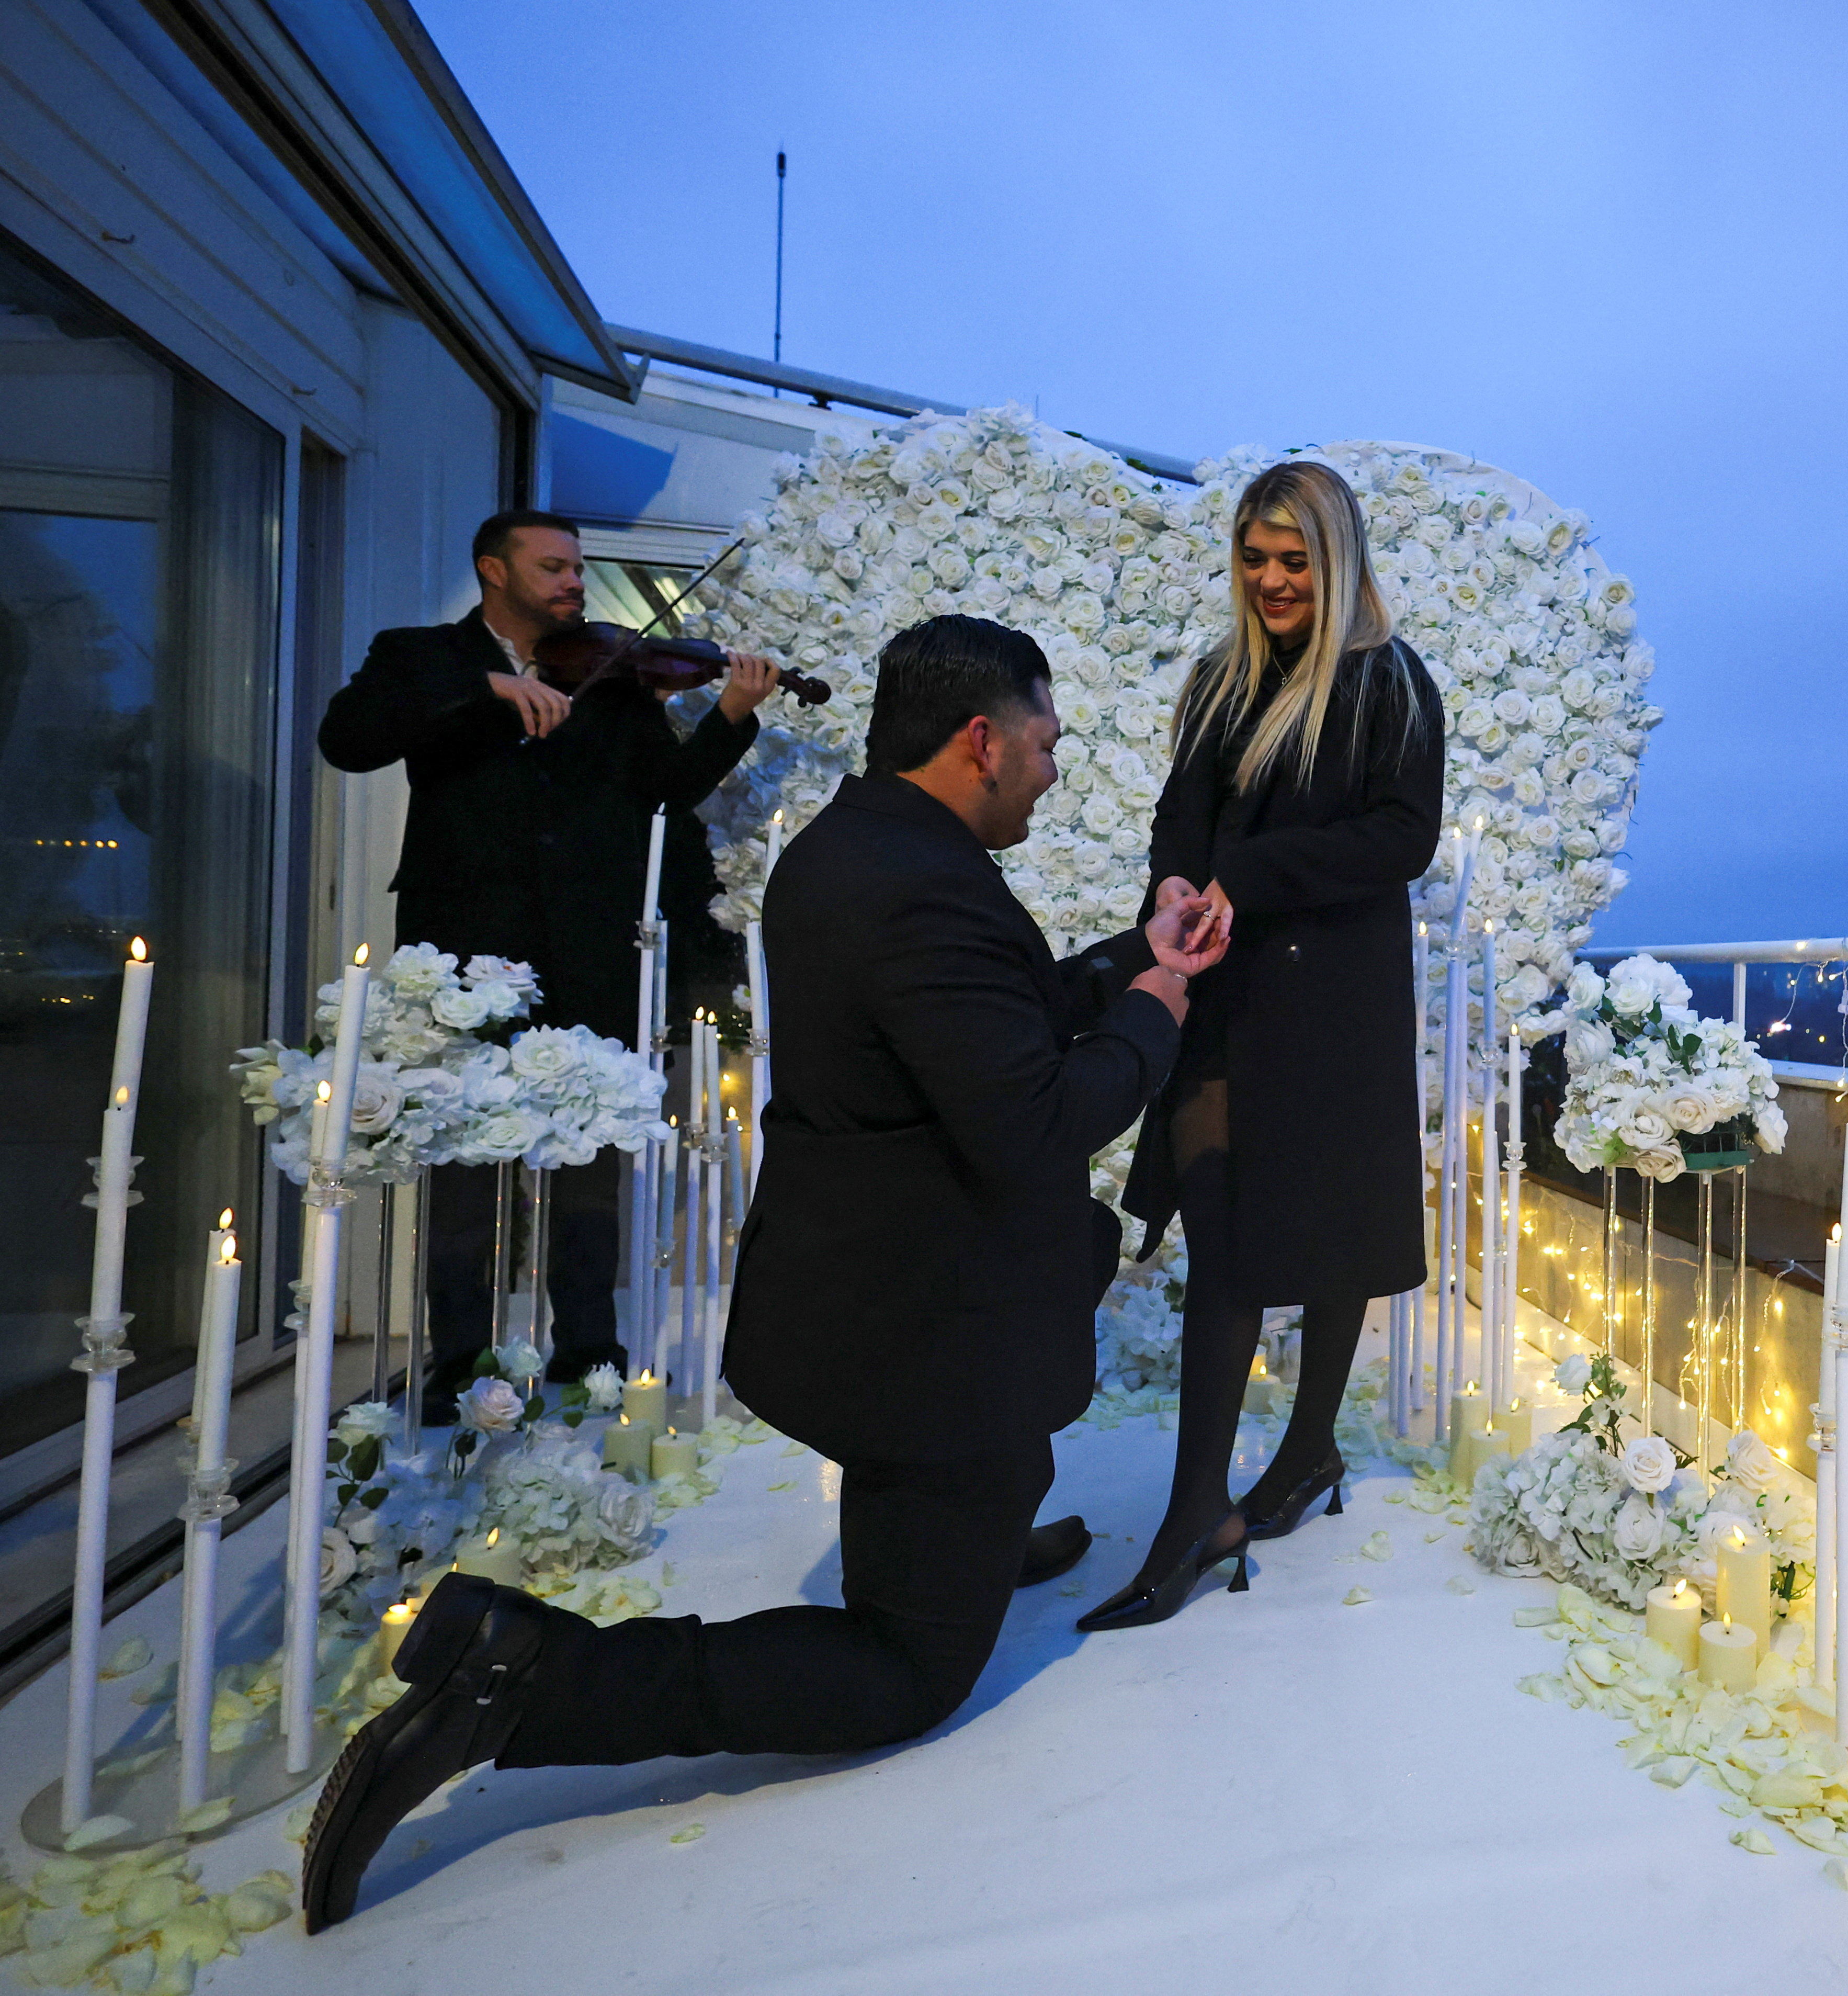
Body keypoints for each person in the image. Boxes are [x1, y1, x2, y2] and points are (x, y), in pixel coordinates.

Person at [302, 614, 1226, 1932]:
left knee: (986, 1458)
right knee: (908, 1674)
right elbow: (1030, 1117)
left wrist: (1138, 954)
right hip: (926, 1326)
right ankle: (524, 1680)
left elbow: (975, 1025)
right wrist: (1157, 1017)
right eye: (1044, 741)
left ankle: (977, 1533)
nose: (1052, 768)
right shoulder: (920, 884)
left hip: (873, 1290)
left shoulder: (865, 845)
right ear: (979, 739)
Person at [1081, 460, 1445, 1632]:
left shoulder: (1390, 683)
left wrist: (1248, 879)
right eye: (1255, 556)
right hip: (1226, 990)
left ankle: (1301, 1458)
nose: (1273, 579)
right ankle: (1202, 1506)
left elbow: (1402, 839)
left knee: (1331, 1227)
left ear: (1335, 563)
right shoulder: (1220, 680)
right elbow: (1179, 816)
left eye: (1295, 559)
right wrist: (1178, 885)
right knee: (1226, 1232)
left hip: (1334, 999)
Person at [315, 510, 783, 1405]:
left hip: (588, 948)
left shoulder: (609, 674)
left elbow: (668, 792)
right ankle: (459, 1356)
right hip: (461, 955)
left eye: (577, 568)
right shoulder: (419, 655)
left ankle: (588, 1349)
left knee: (587, 1159)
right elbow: (350, 740)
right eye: (554, 567)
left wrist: (729, 715)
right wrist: (484, 691)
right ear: (494, 569)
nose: (574, 582)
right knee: (460, 1163)